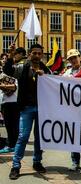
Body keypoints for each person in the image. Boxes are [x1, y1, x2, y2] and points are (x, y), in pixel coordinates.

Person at [4, 44, 51, 180]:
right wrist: (11, 56)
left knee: (39, 138)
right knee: (23, 136)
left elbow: (55, 82)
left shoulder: (45, 69)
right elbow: (8, 71)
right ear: (29, 54)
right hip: (26, 108)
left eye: (39, 53)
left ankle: (37, 161)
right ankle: (16, 166)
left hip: (42, 109)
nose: (36, 56)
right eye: (34, 53)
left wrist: (45, 76)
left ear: (42, 55)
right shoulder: (22, 67)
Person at [63, 49, 81, 172]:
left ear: (80, 57)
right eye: (71, 58)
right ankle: (75, 162)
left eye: (75, 57)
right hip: (72, 110)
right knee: (74, 136)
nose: (74, 60)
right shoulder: (67, 74)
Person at [0, 70, 19, 154]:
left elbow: (14, 87)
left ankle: (12, 146)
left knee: (13, 126)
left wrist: (4, 86)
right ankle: (12, 145)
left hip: (13, 102)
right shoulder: (2, 75)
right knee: (9, 126)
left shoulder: (13, 75)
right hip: (4, 102)